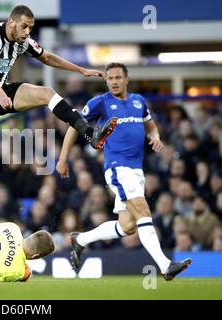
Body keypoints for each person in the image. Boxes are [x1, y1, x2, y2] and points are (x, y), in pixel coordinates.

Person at [56, 62, 191, 281]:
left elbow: (149, 124)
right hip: (118, 168)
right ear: (106, 81)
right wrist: (62, 159)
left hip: (137, 170)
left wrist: (155, 136)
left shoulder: (139, 101)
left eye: (118, 78)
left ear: (126, 79)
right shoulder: (99, 102)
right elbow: (74, 126)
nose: (114, 82)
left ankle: (80, 240)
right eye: (110, 78)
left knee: (128, 226)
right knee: (143, 212)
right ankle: (165, 265)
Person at [0, 5, 117, 159]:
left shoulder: (23, 41)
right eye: (24, 27)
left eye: (30, 28)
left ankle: (90, 135)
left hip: (0, 89)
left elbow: (47, 56)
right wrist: (1, 95)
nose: (27, 32)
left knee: (47, 93)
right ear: (11, 22)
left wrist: (81, 70)